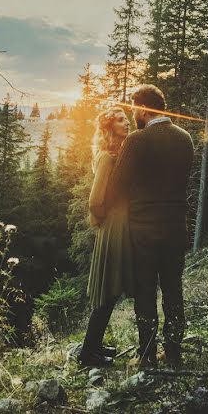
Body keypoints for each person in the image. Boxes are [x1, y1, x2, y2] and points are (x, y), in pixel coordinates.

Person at [108, 84, 194, 369]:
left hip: (143, 230)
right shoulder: (185, 139)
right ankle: (174, 354)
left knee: (146, 292)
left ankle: (146, 356)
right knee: (173, 290)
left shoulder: (137, 141)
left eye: (134, 109)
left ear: (144, 109)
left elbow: (117, 187)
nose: (133, 114)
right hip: (175, 229)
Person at [78, 106, 134, 367]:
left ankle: (94, 346)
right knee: (107, 289)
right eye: (121, 120)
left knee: (111, 289)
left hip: (119, 226)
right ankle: (88, 354)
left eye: (127, 118)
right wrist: (104, 221)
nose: (127, 122)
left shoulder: (119, 154)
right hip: (113, 228)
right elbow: (95, 201)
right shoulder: (107, 157)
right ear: (110, 128)